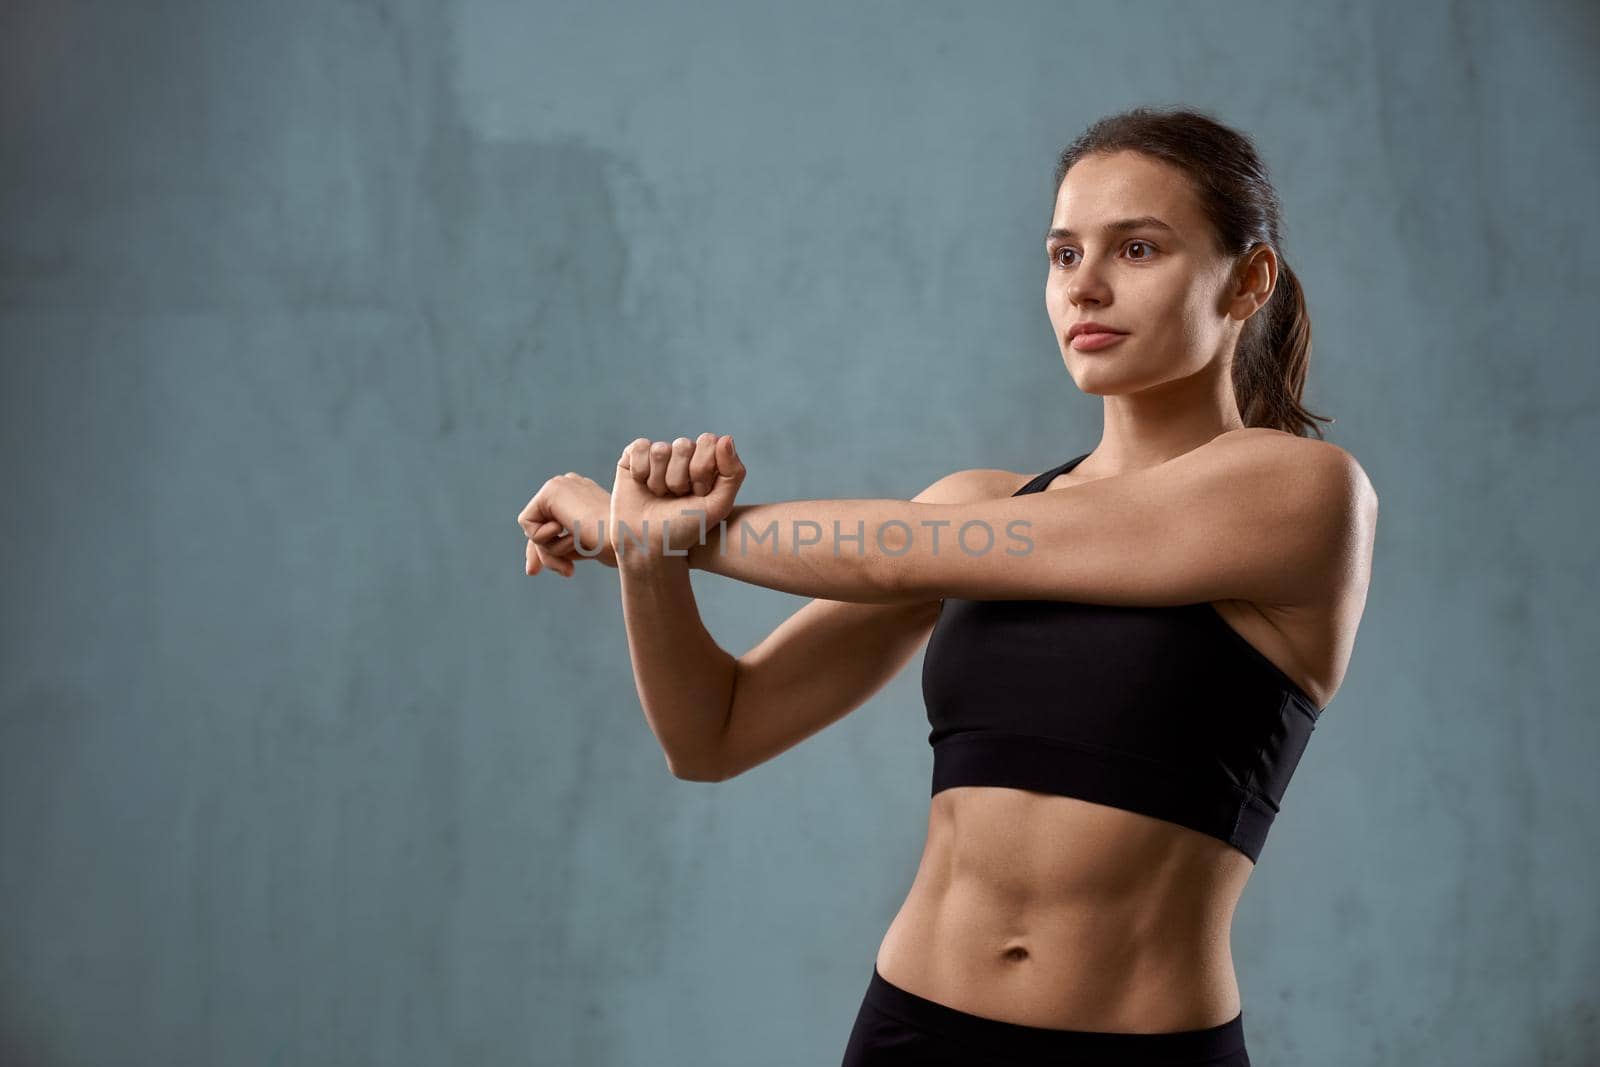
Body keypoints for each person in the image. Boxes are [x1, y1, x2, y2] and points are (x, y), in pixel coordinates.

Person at [516, 106, 1379, 1067]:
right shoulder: (980, 509)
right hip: (911, 1032)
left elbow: (892, 553)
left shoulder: (1299, 495)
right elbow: (712, 732)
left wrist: (637, 525)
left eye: (1137, 249)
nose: (1085, 287)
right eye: (1062, 255)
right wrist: (645, 558)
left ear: (1249, 280)